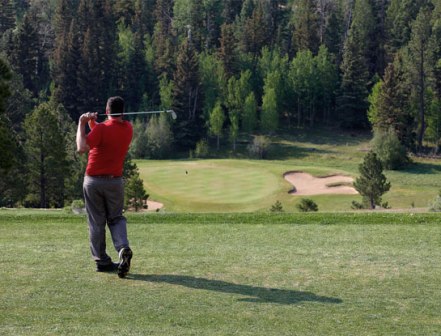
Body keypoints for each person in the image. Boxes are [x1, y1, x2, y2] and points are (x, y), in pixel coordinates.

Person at [76, 96, 133, 278]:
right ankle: (123, 247)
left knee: (96, 222)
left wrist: (82, 123)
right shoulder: (128, 128)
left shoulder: (101, 129)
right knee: (116, 218)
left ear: (107, 111)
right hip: (114, 181)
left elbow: (82, 147)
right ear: (122, 112)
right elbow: (105, 134)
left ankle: (101, 260)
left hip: (93, 181)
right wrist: (94, 124)